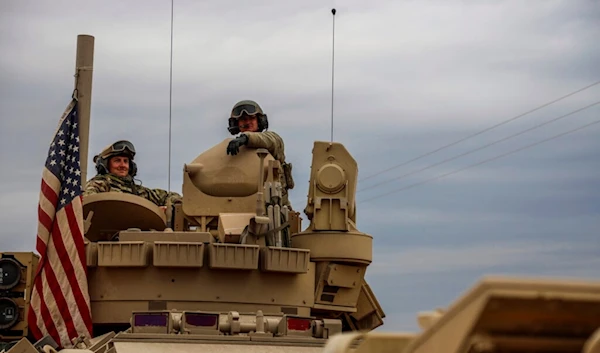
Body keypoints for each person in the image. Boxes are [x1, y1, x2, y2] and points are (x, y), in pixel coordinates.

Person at [226, 100, 295, 208]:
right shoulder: (232, 148)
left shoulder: (272, 140)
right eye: (243, 119)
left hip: (276, 210)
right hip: (239, 206)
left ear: (260, 120)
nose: (248, 122)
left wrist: (246, 138)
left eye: (252, 118)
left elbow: (268, 140)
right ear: (236, 124)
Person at [83, 140, 182, 207]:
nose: (123, 165)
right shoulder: (99, 184)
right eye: (117, 161)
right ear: (105, 165)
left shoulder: (137, 191)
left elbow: (170, 196)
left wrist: (168, 208)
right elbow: (89, 201)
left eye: (126, 161)